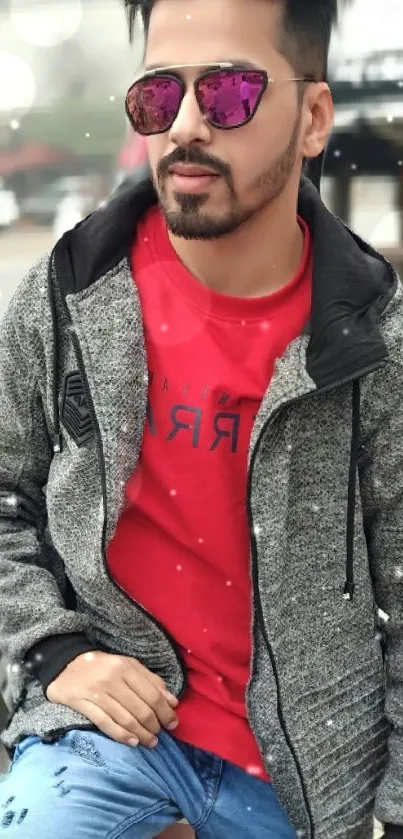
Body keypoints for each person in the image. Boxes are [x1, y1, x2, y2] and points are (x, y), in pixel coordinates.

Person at [0, 0, 401, 838]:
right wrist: (51, 651)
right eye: (156, 94)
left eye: (227, 93)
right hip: (108, 743)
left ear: (313, 117)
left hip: (308, 785)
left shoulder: (377, 347)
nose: (183, 125)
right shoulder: (66, 298)